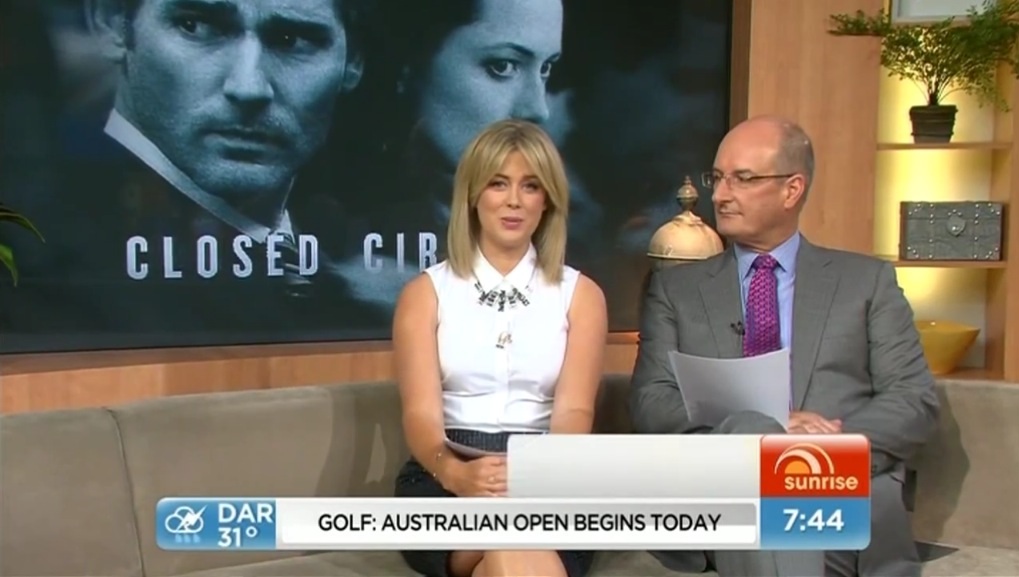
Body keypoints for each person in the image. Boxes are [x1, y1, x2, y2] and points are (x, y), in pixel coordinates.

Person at [630, 115, 939, 577]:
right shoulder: (676, 290)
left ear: (792, 189)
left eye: (742, 179)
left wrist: (816, 455)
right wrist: (767, 431)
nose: (720, 195)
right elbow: (652, 401)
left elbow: (913, 401)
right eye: (718, 178)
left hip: (835, 493)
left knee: (787, 530)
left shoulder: (866, 283)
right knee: (754, 443)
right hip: (722, 499)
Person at [26, 0, 381, 342]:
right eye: (195, 26)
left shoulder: (342, 268)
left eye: (292, 40)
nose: (248, 87)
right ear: (114, 22)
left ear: (354, 60)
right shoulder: (44, 259)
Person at [391, 119, 607, 577]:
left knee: (507, 549)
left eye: (530, 186)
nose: (514, 200)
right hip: (444, 475)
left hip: (550, 472)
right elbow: (420, 415)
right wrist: (459, 476)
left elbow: (574, 412)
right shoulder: (425, 294)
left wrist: (534, 476)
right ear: (473, 195)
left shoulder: (581, 296)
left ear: (547, 199)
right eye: (498, 183)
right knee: (512, 541)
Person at [306, 0, 564, 313]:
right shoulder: (322, 232)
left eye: (546, 68)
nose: (538, 108)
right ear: (411, 63)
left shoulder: (555, 236)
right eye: (502, 66)